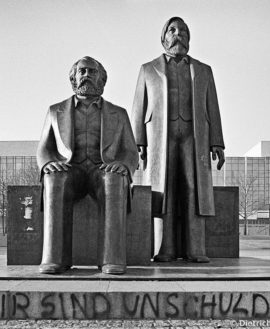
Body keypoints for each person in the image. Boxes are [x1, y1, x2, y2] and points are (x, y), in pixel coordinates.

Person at [132, 17, 225, 263]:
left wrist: (217, 141)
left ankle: (196, 249)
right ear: (163, 37)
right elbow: (138, 108)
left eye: (183, 30)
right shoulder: (148, 69)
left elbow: (212, 106)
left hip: (194, 137)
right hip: (160, 138)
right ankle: (165, 249)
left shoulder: (203, 70)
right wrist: (137, 142)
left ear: (189, 38)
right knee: (164, 190)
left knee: (194, 189)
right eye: (172, 30)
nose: (178, 34)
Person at [37, 56, 138, 274]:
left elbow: (130, 150)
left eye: (92, 72)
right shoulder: (55, 111)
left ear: (102, 80)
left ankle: (112, 259)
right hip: (70, 171)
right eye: (82, 71)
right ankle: (55, 259)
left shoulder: (118, 113)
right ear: (73, 79)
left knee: (114, 179)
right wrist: (48, 163)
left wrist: (124, 165)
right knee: (54, 178)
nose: (86, 76)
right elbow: (44, 148)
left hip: (101, 171)